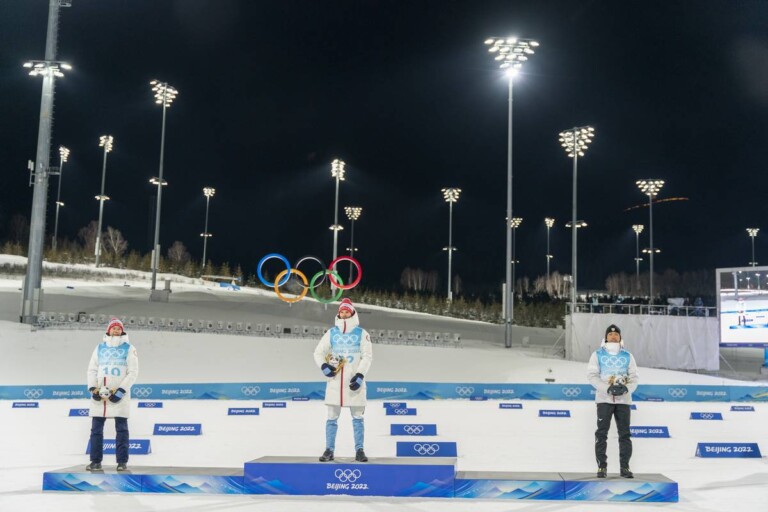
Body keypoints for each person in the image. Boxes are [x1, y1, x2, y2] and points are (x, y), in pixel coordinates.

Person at [313, 298, 373, 463]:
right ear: (339, 313)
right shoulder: (331, 333)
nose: (344, 314)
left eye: (347, 311)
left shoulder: (362, 333)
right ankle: (329, 450)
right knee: (331, 417)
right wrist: (324, 366)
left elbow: (367, 356)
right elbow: (318, 353)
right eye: (342, 311)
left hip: (354, 384)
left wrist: (360, 374)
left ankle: (359, 450)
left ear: (352, 312)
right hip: (335, 383)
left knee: (358, 418)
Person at [86, 318, 139, 471]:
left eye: (118, 328)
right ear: (108, 330)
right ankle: (95, 461)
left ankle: (122, 462)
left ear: (122, 331)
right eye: (113, 328)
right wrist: (92, 388)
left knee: (121, 429)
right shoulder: (99, 348)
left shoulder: (129, 348)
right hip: (100, 396)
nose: (116, 330)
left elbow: (133, 372)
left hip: (119, 396)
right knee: (96, 430)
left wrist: (121, 391)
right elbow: (92, 370)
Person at [587, 324, 639, 479]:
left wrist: (626, 389)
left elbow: (634, 377)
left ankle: (625, 467)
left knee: (625, 434)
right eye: (610, 334)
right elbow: (592, 375)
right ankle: (601, 467)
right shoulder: (597, 354)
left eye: (616, 334)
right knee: (601, 433)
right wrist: (606, 389)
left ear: (620, 337)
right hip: (604, 399)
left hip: (623, 400)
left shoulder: (628, 355)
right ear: (605, 337)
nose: (613, 336)